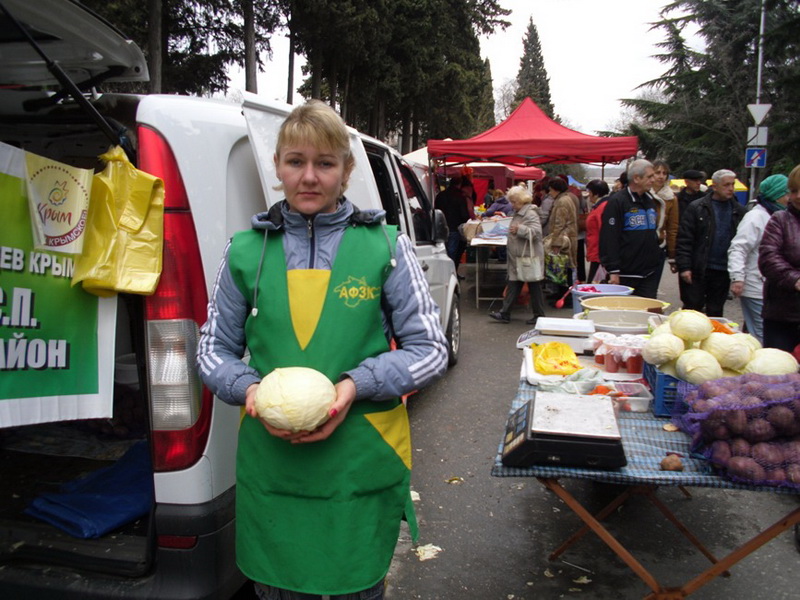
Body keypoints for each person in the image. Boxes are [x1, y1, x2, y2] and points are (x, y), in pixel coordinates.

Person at [196, 100, 448, 600]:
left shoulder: (385, 246)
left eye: (325, 163)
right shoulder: (246, 250)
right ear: (278, 168)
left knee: (356, 587)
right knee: (277, 587)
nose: (309, 177)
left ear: (346, 171)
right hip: (275, 461)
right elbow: (212, 349)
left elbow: (431, 349)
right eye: (295, 162)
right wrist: (248, 389)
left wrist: (356, 384)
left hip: (359, 457)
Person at [676, 169, 746, 317]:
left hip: (722, 270)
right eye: (726, 185)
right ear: (714, 186)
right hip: (698, 268)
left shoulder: (739, 211)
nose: (731, 188)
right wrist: (684, 266)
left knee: (715, 311)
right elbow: (685, 239)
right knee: (692, 310)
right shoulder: (697, 208)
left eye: (732, 184)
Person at [728, 174, 788, 343]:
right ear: (777, 195)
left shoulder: (779, 215)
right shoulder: (756, 217)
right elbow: (739, 248)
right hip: (755, 286)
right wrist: (737, 278)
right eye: (787, 193)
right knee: (762, 333)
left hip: (769, 287)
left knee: (757, 330)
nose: (790, 197)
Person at [599, 159, 662, 298]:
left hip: (649, 273)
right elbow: (609, 237)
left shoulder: (649, 200)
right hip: (625, 273)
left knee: (647, 313)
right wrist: (613, 270)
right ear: (636, 178)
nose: (654, 179)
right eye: (650, 176)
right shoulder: (617, 201)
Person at [488, 185, 546, 324]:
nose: (512, 205)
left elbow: (537, 233)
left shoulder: (530, 213)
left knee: (533, 285)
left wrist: (520, 229)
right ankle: (505, 313)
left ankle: (538, 315)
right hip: (519, 256)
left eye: (514, 202)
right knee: (514, 283)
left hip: (527, 256)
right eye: (512, 202)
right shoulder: (519, 212)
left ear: (522, 200)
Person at [758, 164, 800, 353]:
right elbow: (768, 257)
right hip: (783, 315)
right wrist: (795, 279)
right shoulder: (780, 219)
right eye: (793, 190)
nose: (798, 196)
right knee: (778, 371)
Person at [546, 177, 579, 306]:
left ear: (556, 190)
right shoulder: (566, 198)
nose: (549, 193)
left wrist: (556, 243)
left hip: (564, 240)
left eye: (550, 190)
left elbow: (559, 223)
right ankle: (562, 293)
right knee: (564, 267)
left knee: (564, 268)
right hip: (568, 237)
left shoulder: (562, 201)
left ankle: (566, 296)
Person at [651, 159, 680, 275]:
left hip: (659, 245)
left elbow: (672, 228)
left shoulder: (671, 198)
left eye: (664, 173)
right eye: (657, 172)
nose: (661, 176)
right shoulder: (642, 194)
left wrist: (672, 255)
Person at [435, 175, 470, 268]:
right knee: (452, 252)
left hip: (441, 227)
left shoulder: (440, 195)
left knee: (442, 252)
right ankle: (451, 273)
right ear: (459, 184)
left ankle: (444, 272)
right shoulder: (460, 196)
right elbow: (464, 214)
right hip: (455, 227)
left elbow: (436, 210)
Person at [584, 178, 610, 283]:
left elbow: (604, 231)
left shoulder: (603, 207)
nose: (588, 194)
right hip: (596, 251)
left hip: (599, 253)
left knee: (594, 283)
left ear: (596, 194)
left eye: (590, 192)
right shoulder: (599, 206)